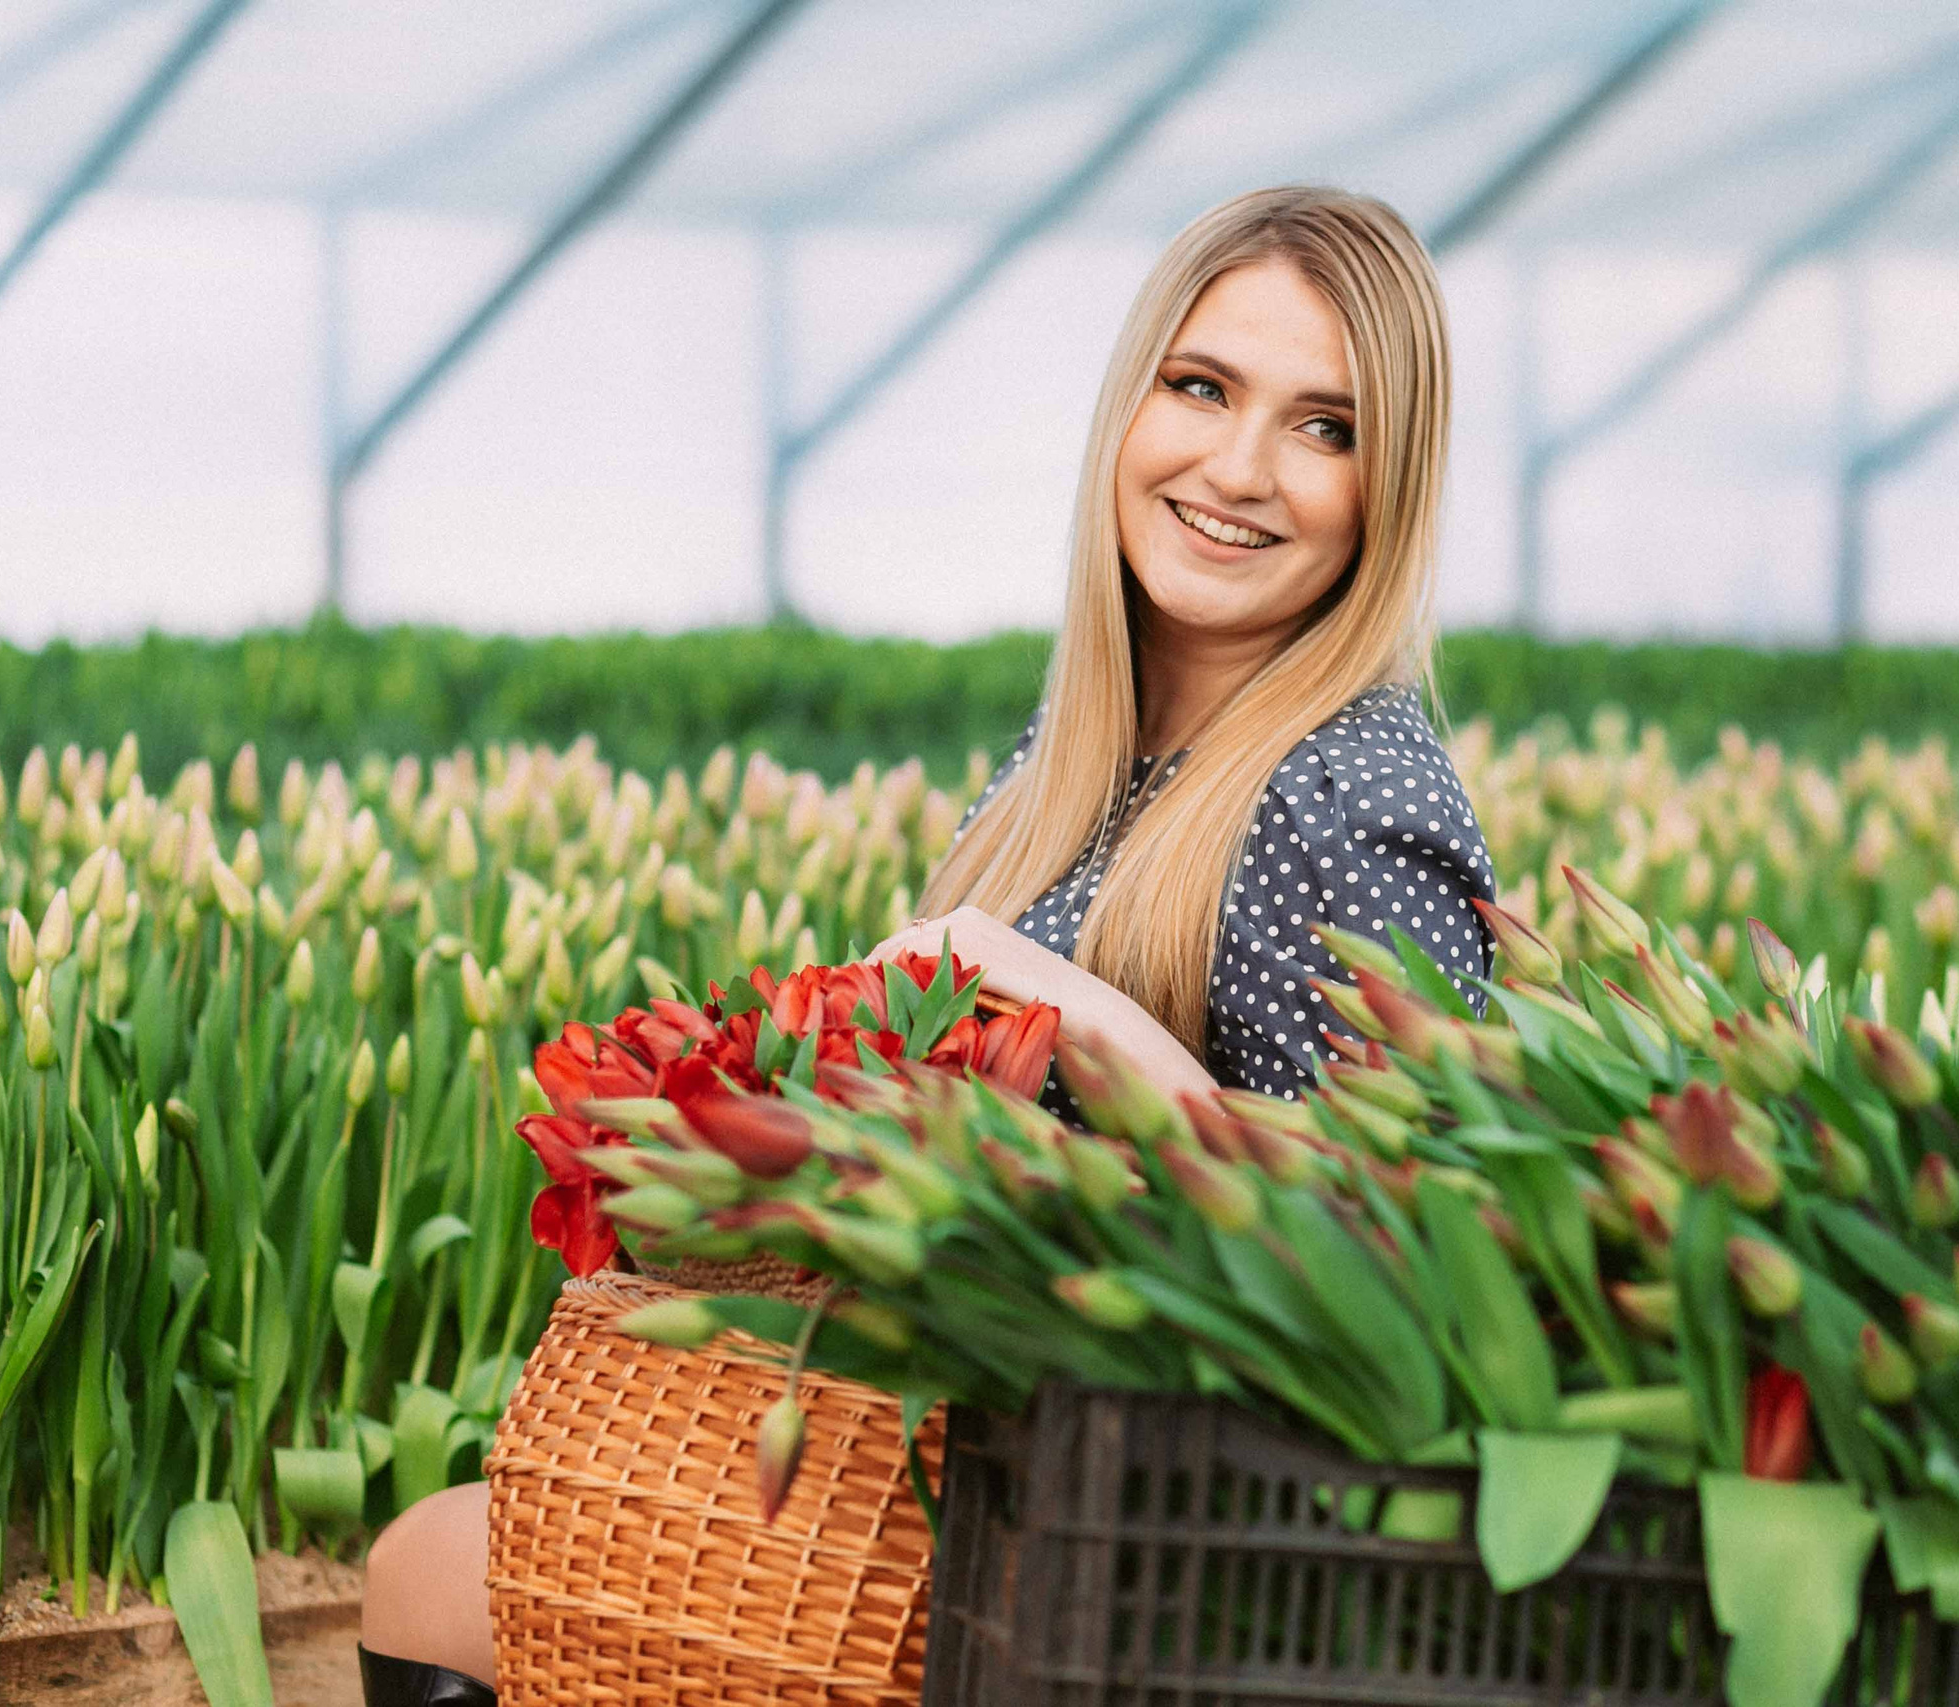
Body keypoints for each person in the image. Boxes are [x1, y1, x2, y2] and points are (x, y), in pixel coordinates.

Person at [355, 181, 1497, 1706]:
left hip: (1164, 1541)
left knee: (443, 1571)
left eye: (1324, 427)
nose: (1239, 467)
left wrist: (1073, 1012)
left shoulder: (1353, 793)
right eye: (1203, 388)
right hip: (999, 1447)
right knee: (442, 1553)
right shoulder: (1082, 749)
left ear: (1388, 485)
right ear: (1131, 402)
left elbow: (1400, 1271)